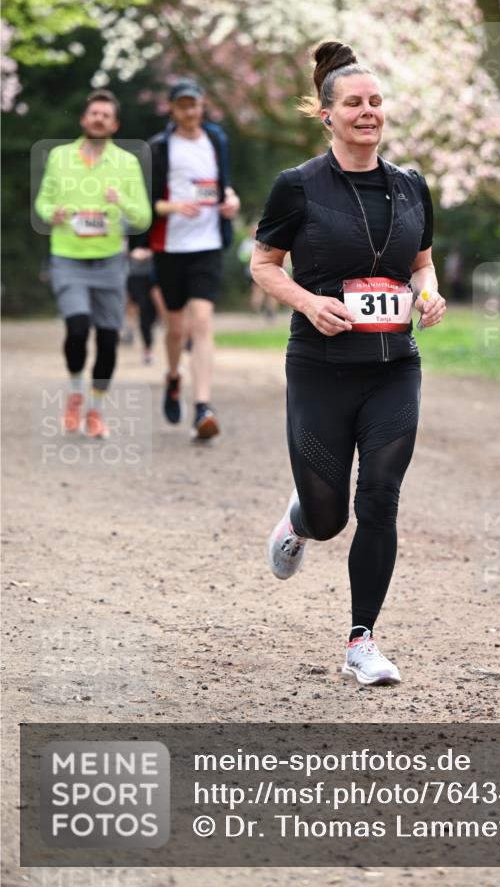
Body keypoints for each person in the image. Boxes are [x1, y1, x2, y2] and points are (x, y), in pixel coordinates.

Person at [251, 41, 446, 686]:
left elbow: (419, 258)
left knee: (381, 499)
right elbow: (262, 267)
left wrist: (428, 292)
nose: (369, 112)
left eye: (376, 102)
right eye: (355, 103)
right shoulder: (298, 187)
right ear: (328, 114)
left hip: (394, 365)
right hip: (321, 365)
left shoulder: (410, 184)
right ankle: (301, 520)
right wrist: (309, 303)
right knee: (331, 515)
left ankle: (362, 641)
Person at [35, 89, 151, 438]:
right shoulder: (59, 157)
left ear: (114, 124)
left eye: (106, 115)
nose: (98, 119)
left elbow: (143, 216)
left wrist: (122, 202)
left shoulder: (127, 163)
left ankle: (96, 409)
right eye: (93, 113)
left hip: (110, 261)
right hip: (68, 256)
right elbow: (42, 203)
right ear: (84, 119)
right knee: (77, 326)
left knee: (107, 339)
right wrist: (50, 213)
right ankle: (74, 393)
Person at [147, 79, 241, 439]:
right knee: (176, 327)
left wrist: (230, 200)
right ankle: (173, 378)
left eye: (195, 104)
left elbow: (223, 186)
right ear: (172, 109)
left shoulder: (216, 140)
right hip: (170, 246)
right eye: (182, 105)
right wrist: (173, 207)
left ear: (202, 106)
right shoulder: (160, 148)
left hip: (207, 243)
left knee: (201, 321)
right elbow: (147, 203)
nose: (189, 111)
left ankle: (203, 407)